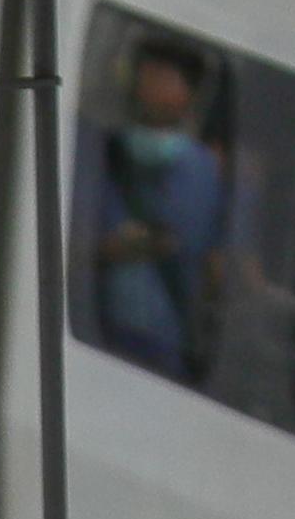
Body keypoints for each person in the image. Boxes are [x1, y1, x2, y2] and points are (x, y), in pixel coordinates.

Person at [79, 30, 227, 376]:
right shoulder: (103, 148)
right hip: (96, 324)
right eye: (149, 70)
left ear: (188, 94)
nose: (150, 80)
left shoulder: (200, 168)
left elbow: (202, 252)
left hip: (163, 340)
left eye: (166, 74)